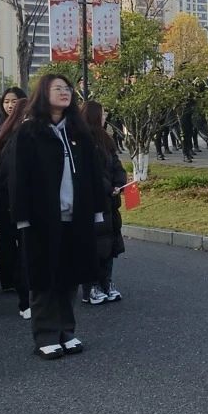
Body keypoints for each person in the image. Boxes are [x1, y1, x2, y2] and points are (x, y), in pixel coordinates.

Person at [9, 74, 104, 359]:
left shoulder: (78, 132)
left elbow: (92, 176)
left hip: (75, 218)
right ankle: (46, 334)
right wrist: (22, 216)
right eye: (57, 88)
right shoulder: (29, 133)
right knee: (44, 277)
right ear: (43, 93)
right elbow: (18, 178)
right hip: (42, 219)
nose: (65, 93)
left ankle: (67, 330)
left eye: (67, 89)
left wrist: (96, 211)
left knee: (70, 275)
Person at [80, 101, 127, 305]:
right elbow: (91, 172)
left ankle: (106, 283)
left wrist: (120, 183)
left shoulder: (106, 139)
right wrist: (108, 187)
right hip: (93, 201)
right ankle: (90, 288)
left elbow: (116, 165)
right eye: (102, 113)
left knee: (110, 243)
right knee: (93, 245)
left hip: (110, 202)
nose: (105, 116)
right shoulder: (82, 140)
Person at [0, 89, 30, 317]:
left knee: (27, 249)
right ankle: (24, 297)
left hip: (29, 203)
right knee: (18, 246)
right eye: (7, 101)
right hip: (11, 201)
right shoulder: (4, 135)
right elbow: (1, 172)